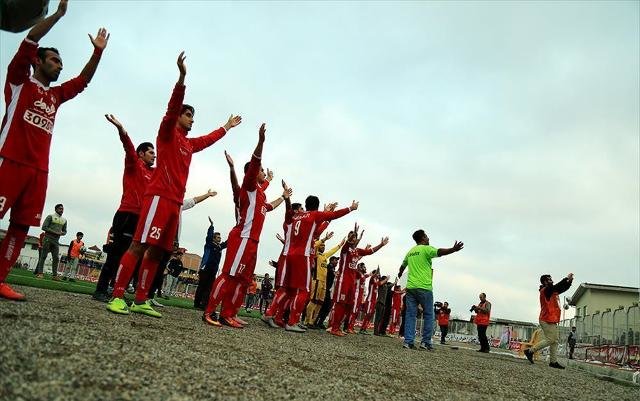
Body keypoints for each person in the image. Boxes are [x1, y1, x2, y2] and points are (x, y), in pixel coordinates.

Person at [107, 52, 241, 318]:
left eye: (193, 116)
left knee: (158, 252)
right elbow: (171, 109)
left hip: (175, 204)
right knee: (139, 245)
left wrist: (226, 127)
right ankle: (117, 295)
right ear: (178, 117)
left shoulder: (189, 145)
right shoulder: (167, 133)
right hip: (157, 198)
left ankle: (141, 299)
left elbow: (207, 139)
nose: (192, 119)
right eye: (188, 115)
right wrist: (181, 78)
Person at [0, 0, 109, 301]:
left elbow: (83, 81)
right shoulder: (19, 81)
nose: (59, 66)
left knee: (21, 227)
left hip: (39, 171)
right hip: (9, 161)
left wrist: (97, 52)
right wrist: (59, 15)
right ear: (37, 61)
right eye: (53, 61)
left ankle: (0, 278)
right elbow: (29, 40)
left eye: (61, 63)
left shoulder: (56, 95)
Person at [203, 124, 289, 328]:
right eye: (260, 170)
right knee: (229, 276)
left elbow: (269, 206)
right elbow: (256, 162)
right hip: (242, 237)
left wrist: (283, 197)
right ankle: (209, 312)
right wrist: (261, 141)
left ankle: (228, 313)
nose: (262, 172)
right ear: (252, 172)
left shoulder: (259, 192)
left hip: (253, 242)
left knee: (242, 280)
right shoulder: (249, 186)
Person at [265, 197, 356, 332]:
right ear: (317, 206)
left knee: (287, 289)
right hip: (302, 257)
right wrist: (350, 208)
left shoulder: (296, 218)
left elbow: (316, 231)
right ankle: (292, 321)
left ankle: (272, 314)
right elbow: (333, 216)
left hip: (289, 255)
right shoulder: (314, 215)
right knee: (303, 291)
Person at [93, 115, 155, 302]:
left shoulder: (153, 173)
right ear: (141, 154)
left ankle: (116, 290)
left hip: (140, 219)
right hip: (126, 215)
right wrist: (121, 129)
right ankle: (100, 290)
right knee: (116, 255)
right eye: (151, 153)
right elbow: (128, 147)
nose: (154, 156)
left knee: (131, 257)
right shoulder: (133, 165)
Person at [398, 229, 463, 350]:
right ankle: (425, 342)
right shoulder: (426, 249)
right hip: (424, 288)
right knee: (429, 315)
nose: (428, 238)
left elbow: (402, 266)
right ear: (422, 238)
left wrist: (400, 273)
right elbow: (439, 252)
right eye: (427, 236)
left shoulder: (411, 251)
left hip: (411, 288)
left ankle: (408, 342)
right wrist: (453, 249)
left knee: (410, 315)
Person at [330, 225, 389, 337]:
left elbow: (370, 251)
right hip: (343, 281)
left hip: (352, 283)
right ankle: (334, 328)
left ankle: (339, 327)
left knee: (349, 306)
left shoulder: (357, 251)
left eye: (354, 237)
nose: (353, 239)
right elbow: (348, 243)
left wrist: (381, 245)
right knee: (340, 304)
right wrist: (352, 235)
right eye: (351, 237)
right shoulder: (345, 250)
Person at [524, 273, 574, 369]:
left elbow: (561, 288)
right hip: (546, 319)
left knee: (554, 341)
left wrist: (569, 282)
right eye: (549, 279)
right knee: (551, 339)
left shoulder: (552, 291)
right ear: (545, 282)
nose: (552, 280)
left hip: (551, 319)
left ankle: (553, 362)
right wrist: (566, 279)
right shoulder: (545, 291)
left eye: (551, 279)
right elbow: (557, 286)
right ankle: (530, 351)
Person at [305, 237, 344, 328]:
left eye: (324, 246)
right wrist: (324, 239)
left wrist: (340, 245)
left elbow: (332, 251)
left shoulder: (324, 256)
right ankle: (308, 321)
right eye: (322, 246)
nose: (323, 247)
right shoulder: (315, 255)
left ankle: (313, 321)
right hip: (317, 280)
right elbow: (314, 245)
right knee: (313, 301)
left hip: (324, 283)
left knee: (320, 303)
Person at [193, 217, 227, 309]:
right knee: (202, 287)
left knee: (209, 288)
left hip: (213, 271)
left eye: (220, 238)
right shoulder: (209, 245)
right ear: (214, 238)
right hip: (205, 269)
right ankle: (197, 304)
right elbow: (208, 237)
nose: (220, 239)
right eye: (218, 237)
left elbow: (227, 243)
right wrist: (211, 226)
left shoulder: (219, 247)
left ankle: (204, 305)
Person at [34, 204, 67, 279]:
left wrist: (62, 233)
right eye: (60, 209)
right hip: (47, 238)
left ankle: (54, 275)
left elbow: (65, 231)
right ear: (56, 209)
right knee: (43, 256)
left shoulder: (64, 220)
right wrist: (55, 232)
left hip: (56, 241)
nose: (61, 210)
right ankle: (40, 273)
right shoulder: (50, 216)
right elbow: (44, 227)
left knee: (56, 258)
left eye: (62, 209)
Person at [359, 269, 388, 335]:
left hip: (373, 301)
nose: (379, 275)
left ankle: (364, 328)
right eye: (378, 274)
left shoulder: (377, 281)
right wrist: (385, 278)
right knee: (368, 314)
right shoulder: (372, 279)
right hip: (369, 300)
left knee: (370, 315)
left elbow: (380, 283)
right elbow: (380, 282)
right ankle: (362, 329)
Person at [314, 255, 339, 329]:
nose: (337, 262)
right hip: (325, 289)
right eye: (335, 260)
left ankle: (320, 322)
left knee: (327, 307)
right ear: (331, 261)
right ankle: (316, 322)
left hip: (329, 290)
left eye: (337, 260)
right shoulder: (329, 267)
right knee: (324, 306)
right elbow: (335, 274)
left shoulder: (333, 268)